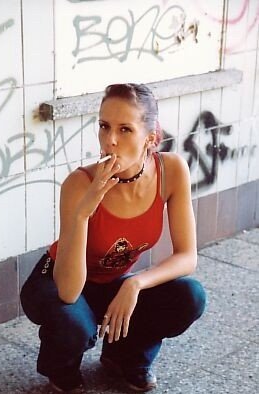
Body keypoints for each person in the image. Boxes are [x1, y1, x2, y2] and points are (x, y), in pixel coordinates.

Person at [20, 83, 206, 393]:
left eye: (125, 129)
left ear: (150, 137)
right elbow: (68, 290)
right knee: (73, 322)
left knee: (190, 296)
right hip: (56, 280)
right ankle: (62, 370)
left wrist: (135, 284)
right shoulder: (80, 184)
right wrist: (82, 213)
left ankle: (126, 358)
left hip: (113, 282)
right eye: (104, 127)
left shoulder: (171, 170)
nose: (110, 141)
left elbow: (187, 257)